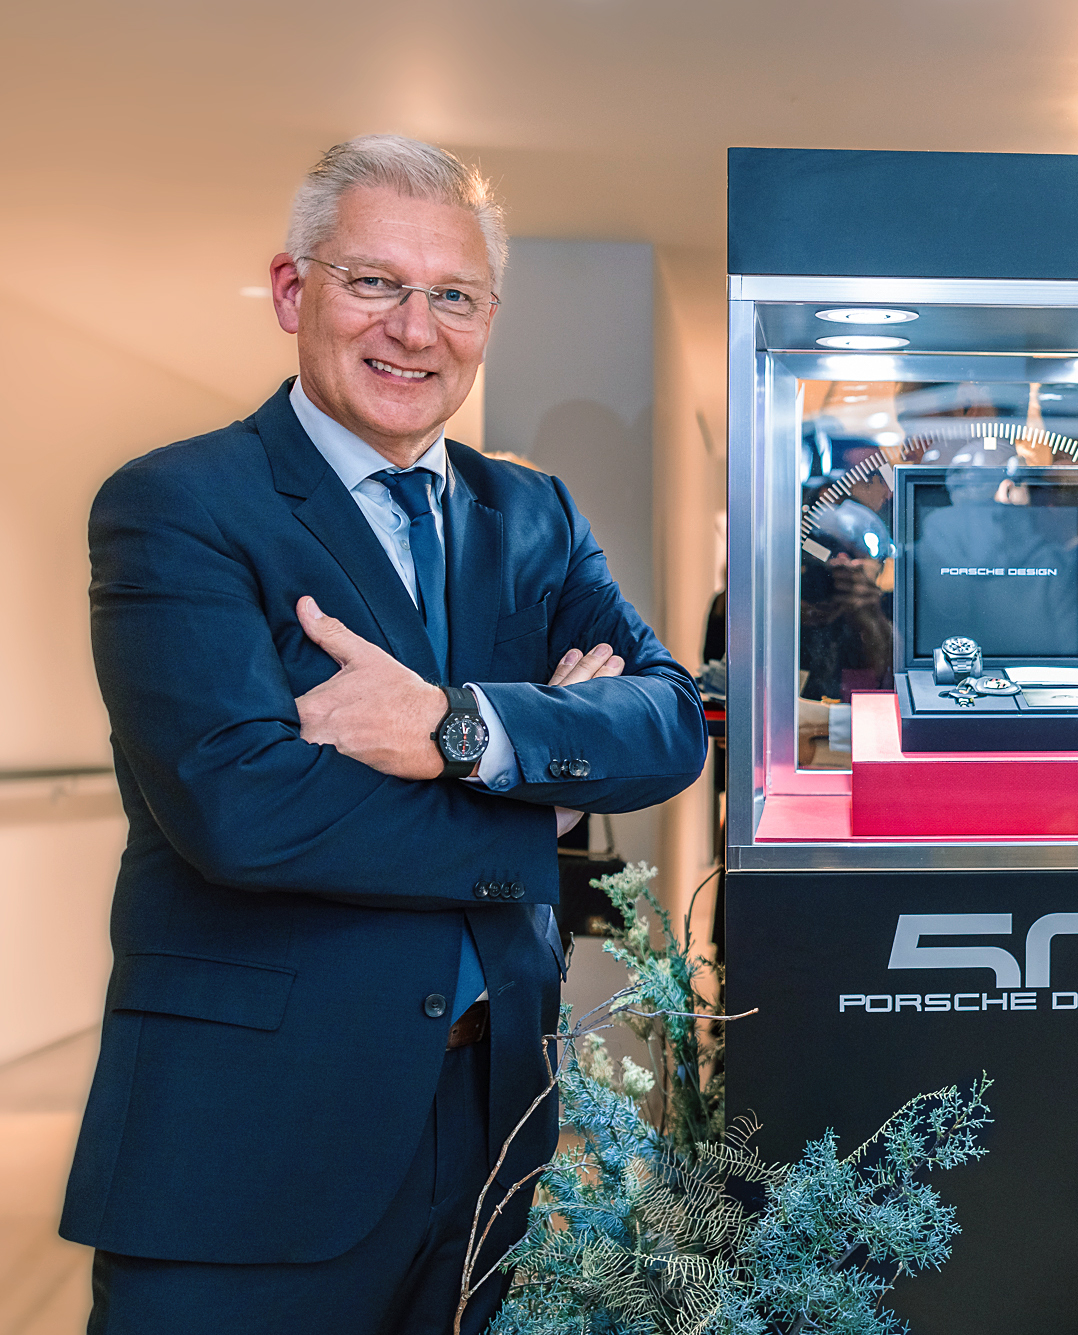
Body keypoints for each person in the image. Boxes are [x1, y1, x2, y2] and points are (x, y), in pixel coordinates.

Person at [62, 135, 707, 1333]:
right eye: (374, 282)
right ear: (291, 290)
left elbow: (669, 721)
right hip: (249, 1136)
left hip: (488, 1114)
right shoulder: (181, 505)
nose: (415, 329)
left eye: (454, 295)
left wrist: (459, 727)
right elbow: (243, 811)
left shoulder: (533, 514)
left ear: (487, 319)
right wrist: (539, 804)